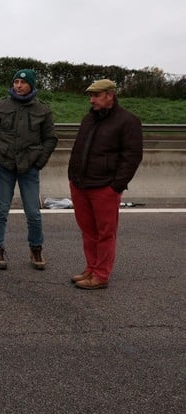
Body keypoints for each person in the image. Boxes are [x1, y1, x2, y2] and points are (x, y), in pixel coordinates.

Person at [67, 79, 143, 290]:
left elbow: (132, 157)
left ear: (110, 95)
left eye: (96, 95)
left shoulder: (128, 121)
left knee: (105, 233)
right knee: (88, 231)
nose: (92, 100)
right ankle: (91, 268)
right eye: (91, 96)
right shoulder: (89, 119)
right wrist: (72, 177)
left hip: (104, 187)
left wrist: (116, 186)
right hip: (80, 184)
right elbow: (79, 149)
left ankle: (101, 274)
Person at [0, 69, 58, 270]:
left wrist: (39, 162)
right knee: (1, 209)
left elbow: (50, 138)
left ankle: (36, 249)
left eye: (22, 83)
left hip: (29, 167)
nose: (18, 85)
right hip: (4, 165)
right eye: (15, 81)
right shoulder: (2, 105)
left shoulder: (43, 110)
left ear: (31, 85)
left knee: (33, 212)